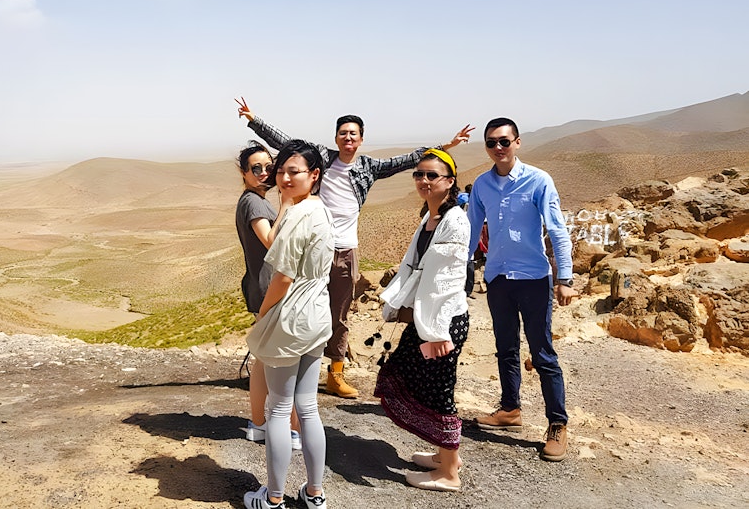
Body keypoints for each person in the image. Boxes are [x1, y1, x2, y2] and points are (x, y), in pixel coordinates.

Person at [237, 96, 472, 398]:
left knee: (340, 313)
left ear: (361, 139)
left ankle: (335, 373)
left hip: (346, 251)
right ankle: (292, 369)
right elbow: (287, 143)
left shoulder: (368, 167)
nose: (348, 138)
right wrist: (254, 120)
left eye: (353, 133)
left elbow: (407, 160)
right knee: (303, 307)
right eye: (343, 133)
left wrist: (445, 147)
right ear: (336, 137)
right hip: (313, 249)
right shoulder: (322, 158)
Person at [466, 117, 577, 462]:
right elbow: (471, 231)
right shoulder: (482, 184)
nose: (497, 148)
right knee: (505, 348)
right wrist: (462, 271)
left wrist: (566, 279)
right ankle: (510, 409)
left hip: (533, 278)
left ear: (517, 142)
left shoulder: (538, 180)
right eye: (491, 143)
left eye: (503, 141)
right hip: (498, 277)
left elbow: (557, 229)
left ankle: (557, 424)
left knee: (542, 352)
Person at [244, 140, 333, 509]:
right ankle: (315, 494)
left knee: (280, 409)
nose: (283, 178)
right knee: (308, 407)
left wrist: (264, 315)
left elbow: (281, 278)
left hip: (292, 316)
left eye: (293, 171)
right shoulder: (320, 209)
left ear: (313, 175)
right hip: (317, 314)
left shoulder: (296, 215)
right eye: (281, 171)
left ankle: (274, 498)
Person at [375, 149, 470, 493]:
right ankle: (447, 455)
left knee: (439, 392)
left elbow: (441, 284)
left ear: (449, 182)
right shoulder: (430, 218)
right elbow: (413, 269)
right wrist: (394, 302)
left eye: (432, 175)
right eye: (419, 174)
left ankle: (448, 474)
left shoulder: (455, 221)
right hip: (429, 321)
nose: (424, 181)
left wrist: (434, 332)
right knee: (417, 378)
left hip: (441, 324)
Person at [233, 141, 302, 451]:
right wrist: (287, 199)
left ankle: (260, 424)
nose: (264, 173)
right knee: (278, 360)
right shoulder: (253, 203)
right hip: (269, 289)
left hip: (263, 286)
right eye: (256, 169)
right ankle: (288, 428)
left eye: (268, 167)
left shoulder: (256, 199)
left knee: (264, 358)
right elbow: (272, 240)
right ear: (244, 173)